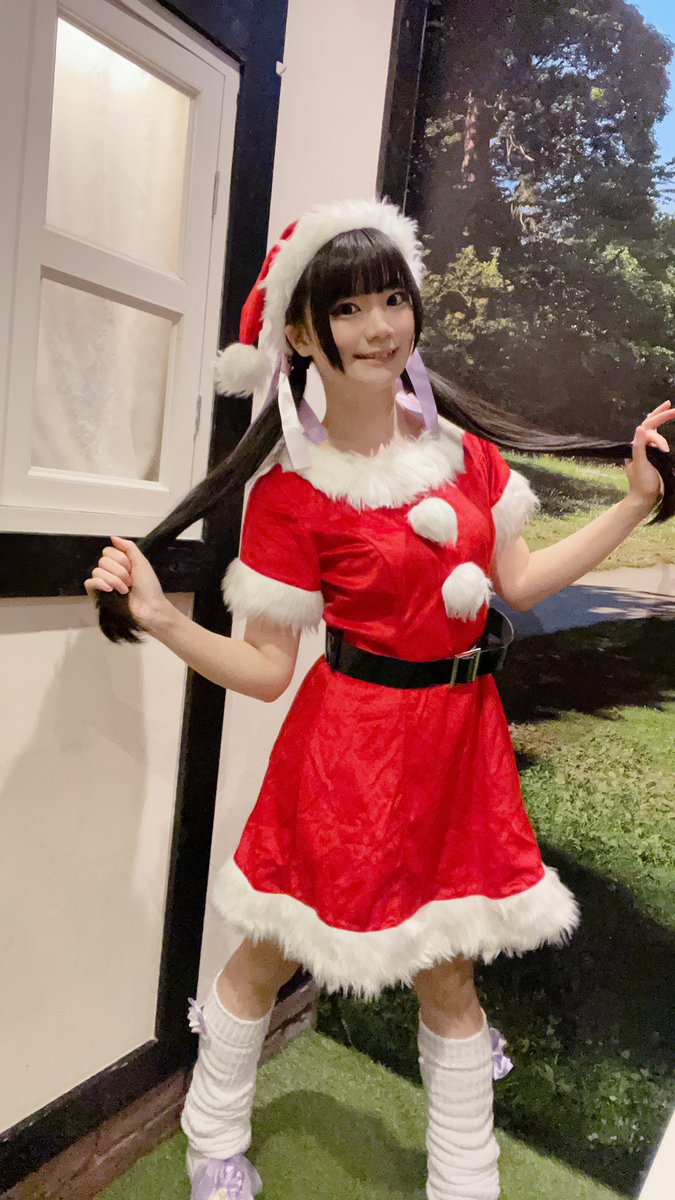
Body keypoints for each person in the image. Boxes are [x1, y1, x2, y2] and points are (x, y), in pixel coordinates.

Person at [84, 198, 674, 1200]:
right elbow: (268, 670)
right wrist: (161, 619)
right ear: (300, 334)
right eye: (348, 308)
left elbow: (521, 583)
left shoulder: (469, 457)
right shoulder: (290, 494)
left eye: (392, 299)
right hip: (347, 750)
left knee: (448, 967)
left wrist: (633, 504)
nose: (379, 327)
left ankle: (465, 1179)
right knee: (272, 951)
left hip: (459, 744)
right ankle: (211, 1135)